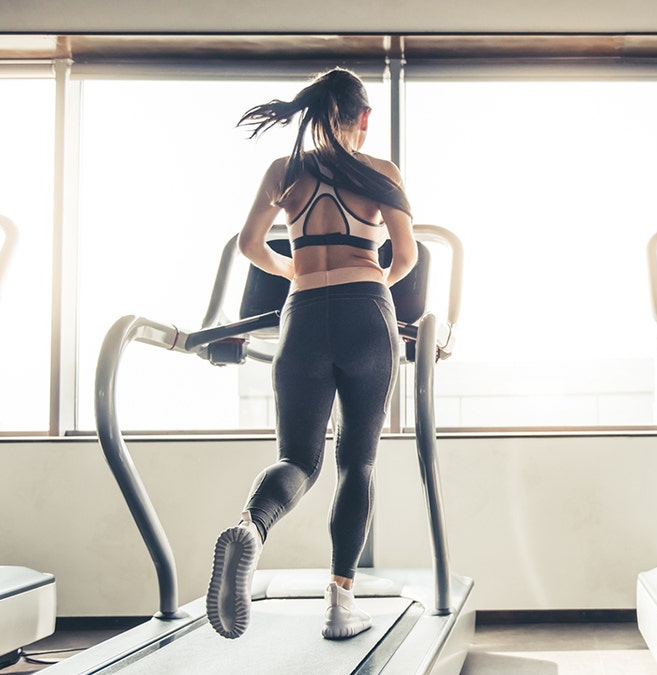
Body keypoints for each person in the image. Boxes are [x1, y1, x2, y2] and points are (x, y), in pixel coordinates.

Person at [205, 67, 416, 641]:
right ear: (364, 118)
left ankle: (251, 526)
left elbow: (251, 246)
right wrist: (374, 287)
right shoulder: (379, 172)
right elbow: (406, 256)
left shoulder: (284, 171)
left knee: (299, 459)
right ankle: (340, 603)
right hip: (366, 310)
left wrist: (293, 268)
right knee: (358, 462)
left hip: (302, 315)